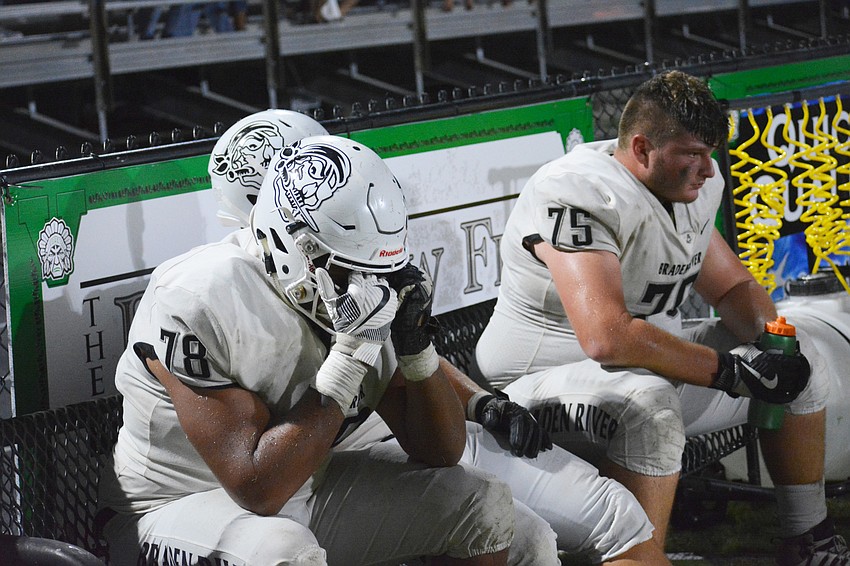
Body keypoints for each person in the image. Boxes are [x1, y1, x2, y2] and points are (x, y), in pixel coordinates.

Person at [205, 109, 673, 565]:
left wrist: (480, 403)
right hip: (340, 460)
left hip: (415, 423)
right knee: (525, 536)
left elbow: (399, 349)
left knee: (616, 517)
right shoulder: (228, 293)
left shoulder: (356, 237)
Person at [474, 69, 849, 565]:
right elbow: (605, 337)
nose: (708, 170)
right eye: (692, 155)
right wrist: (730, 372)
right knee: (650, 408)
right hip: (536, 383)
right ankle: (637, 557)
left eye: (710, 153)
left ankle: (808, 540)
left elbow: (734, 286)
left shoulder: (687, 188)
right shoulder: (576, 192)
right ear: (643, 148)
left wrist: (771, 347)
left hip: (642, 366)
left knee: (802, 366)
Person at [97, 134, 523, 565]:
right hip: (172, 507)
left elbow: (440, 452)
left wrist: (416, 349)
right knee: (284, 554)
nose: (367, 283)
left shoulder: (362, 290)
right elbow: (256, 487)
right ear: (291, 248)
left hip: (302, 484)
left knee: (481, 505)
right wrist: (351, 355)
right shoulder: (199, 297)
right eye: (349, 267)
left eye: (378, 267)